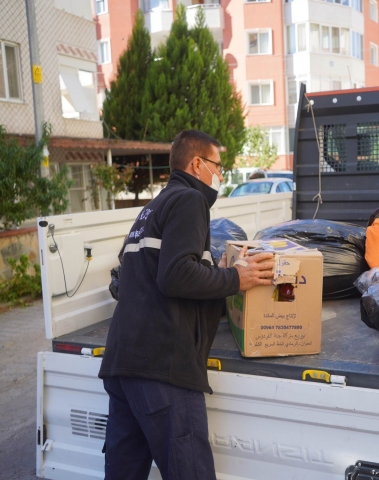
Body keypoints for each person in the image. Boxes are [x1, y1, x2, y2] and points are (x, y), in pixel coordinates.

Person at [99, 129, 274, 480]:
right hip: (162, 371)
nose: (221, 176)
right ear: (197, 163)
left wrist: (214, 274)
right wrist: (237, 279)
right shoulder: (189, 200)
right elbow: (175, 276)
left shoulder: (153, 207)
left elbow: (156, 273)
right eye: (218, 166)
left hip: (124, 366)